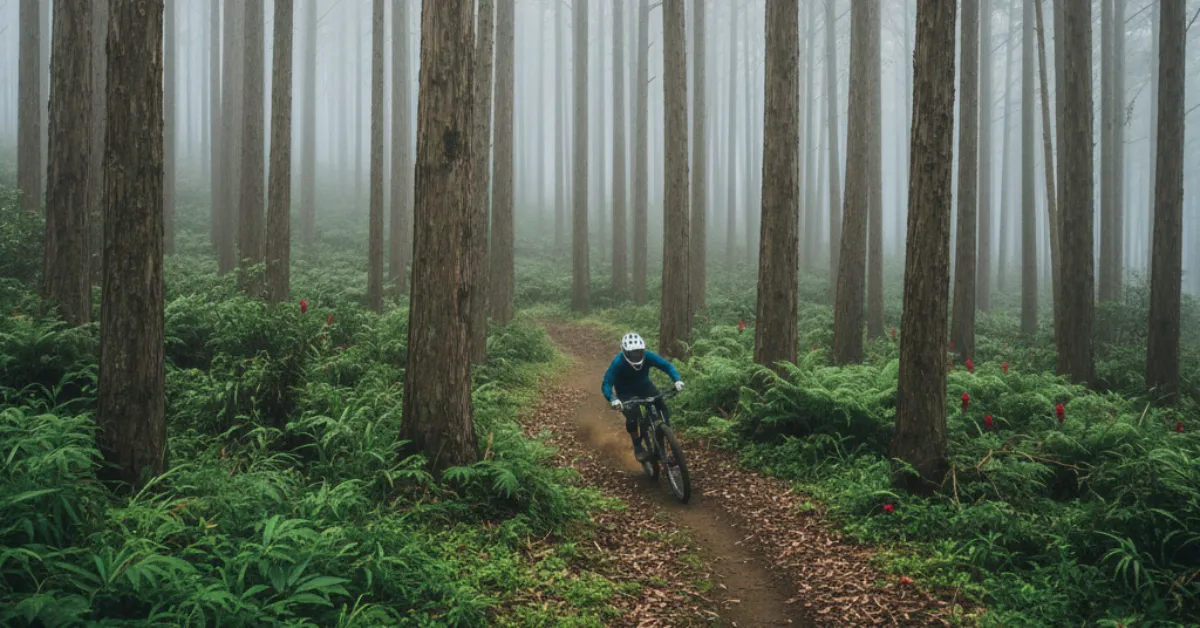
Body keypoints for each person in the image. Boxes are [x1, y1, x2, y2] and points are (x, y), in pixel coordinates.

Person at [601, 333, 685, 462]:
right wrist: (612, 399)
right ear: (625, 352)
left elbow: (666, 366)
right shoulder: (618, 362)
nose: (636, 356)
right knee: (632, 418)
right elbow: (607, 383)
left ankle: (666, 435)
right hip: (625, 392)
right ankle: (637, 445)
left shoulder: (648, 356)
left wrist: (677, 380)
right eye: (632, 353)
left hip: (645, 386)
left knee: (661, 406)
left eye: (638, 352)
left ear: (643, 350)